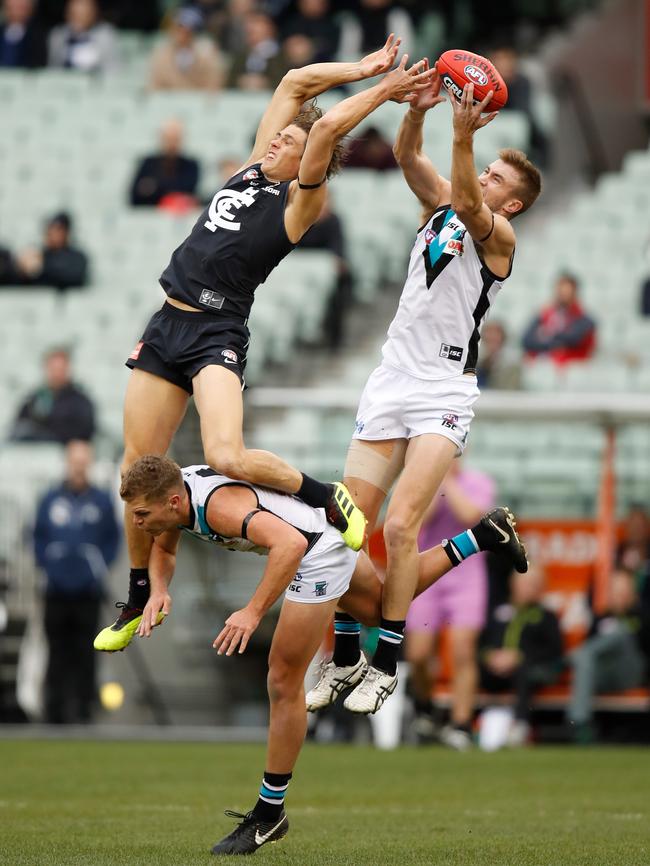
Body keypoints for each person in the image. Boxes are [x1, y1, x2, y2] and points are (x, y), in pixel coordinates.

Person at [93, 39, 438, 653]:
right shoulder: (254, 168)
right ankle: (141, 589)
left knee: (226, 454)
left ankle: (326, 496)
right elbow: (295, 85)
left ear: (312, 160)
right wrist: (358, 67)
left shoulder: (299, 202)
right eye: (279, 138)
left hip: (215, 332)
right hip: (166, 323)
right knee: (134, 468)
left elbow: (327, 123)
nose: (277, 139)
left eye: (291, 143)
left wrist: (384, 90)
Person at [117, 455, 527, 854]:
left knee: (282, 680)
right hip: (326, 528)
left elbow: (289, 545)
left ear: (172, 502)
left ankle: (270, 811)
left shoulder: (217, 507)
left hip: (313, 550)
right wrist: (159, 589)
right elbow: (165, 551)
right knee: (386, 605)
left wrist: (252, 612)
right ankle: (483, 536)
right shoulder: (176, 495)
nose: (136, 524)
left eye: (139, 514)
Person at [314, 62, 541, 715]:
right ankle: (349, 652)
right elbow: (409, 153)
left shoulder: (500, 234)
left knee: (405, 526)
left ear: (515, 201)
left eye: (501, 178)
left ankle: (385, 661)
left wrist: (466, 138)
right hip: (391, 378)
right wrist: (419, 106)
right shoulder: (443, 197)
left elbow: (471, 204)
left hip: (444, 389)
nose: (487, 179)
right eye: (488, 169)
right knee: (346, 528)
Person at [405, 459, 495, 751]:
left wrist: (448, 481)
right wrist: (435, 482)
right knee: (418, 654)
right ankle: (425, 706)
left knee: (462, 650)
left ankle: (461, 724)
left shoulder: (479, 482)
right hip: (427, 570)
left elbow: (471, 516)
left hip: (467, 575)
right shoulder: (420, 480)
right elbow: (420, 519)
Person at [34, 441, 120, 723]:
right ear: (67, 463)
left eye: (84, 462)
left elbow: (113, 539)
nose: (79, 467)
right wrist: (48, 563)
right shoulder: (50, 499)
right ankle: (54, 712)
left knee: (87, 652)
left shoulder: (101, 501)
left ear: (90, 463)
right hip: (56, 590)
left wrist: (97, 567)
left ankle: (83, 712)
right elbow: (37, 536)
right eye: (74, 461)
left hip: (88, 590)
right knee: (56, 651)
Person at [479, 565, 563, 747]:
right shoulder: (497, 612)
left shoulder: (546, 617)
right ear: (513, 585)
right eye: (525, 583)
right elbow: (481, 644)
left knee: (523, 671)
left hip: (530, 673)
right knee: (469, 667)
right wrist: (490, 657)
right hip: (494, 671)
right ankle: (465, 726)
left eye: (534, 584)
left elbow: (554, 651)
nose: (529, 588)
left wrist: (519, 657)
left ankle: (520, 726)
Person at [566, 569, 649, 744]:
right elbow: (591, 651)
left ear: (632, 593)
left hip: (631, 674)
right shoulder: (600, 617)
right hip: (603, 675)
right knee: (586, 657)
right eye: (616, 591)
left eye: (623, 591)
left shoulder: (642, 616)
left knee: (620, 632)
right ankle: (580, 723)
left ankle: (567, 659)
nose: (619, 596)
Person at [297, 189, 353, 350]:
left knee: (338, 290)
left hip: (325, 269)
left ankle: (334, 338)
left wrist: (337, 262)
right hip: (300, 268)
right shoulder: (299, 220)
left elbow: (338, 248)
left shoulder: (334, 221)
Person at [10, 347, 96, 443]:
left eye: (60, 369)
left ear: (68, 369)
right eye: (53, 369)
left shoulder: (80, 402)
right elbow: (20, 426)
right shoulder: (34, 399)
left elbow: (84, 432)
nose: (57, 374)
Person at [522, 273, 596, 365]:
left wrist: (545, 336)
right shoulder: (545, 314)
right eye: (560, 291)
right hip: (545, 365)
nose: (562, 295)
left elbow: (573, 339)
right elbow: (526, 340)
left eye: (567, 291)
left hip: (571, 369)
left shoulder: (583, 320)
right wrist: (555, 344)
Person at [148, 6, 223, 92]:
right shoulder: (161, 55)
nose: (183, 33)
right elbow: (154, 86)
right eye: (180, 28)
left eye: (189, 29)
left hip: (198, 102)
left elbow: (214, 85)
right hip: (167, 103)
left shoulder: (207, 54)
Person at [129, 119, 200, 208]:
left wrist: (155, 188)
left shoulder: (191, 165)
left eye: (175, 139)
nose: (172, 144)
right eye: (169, 139)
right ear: (162, 138)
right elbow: (135, 195)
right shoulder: (148, 163)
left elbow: (189, 189)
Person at [15, 212, 89, 291]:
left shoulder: (77, 257)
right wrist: (23, 271)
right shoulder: (41, 255)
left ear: (66, 232)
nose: (50, 233)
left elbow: (73, 276)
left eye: (57, 229)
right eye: (49, 229)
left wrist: (40, 268)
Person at [48, 0, 119, 74]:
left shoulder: (105, 34)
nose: (79, 18)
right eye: (74, 14)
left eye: (84, 13)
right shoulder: (59, 35)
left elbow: (113, 69)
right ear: (67, 14)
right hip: (66, 82)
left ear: (94, 13)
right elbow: (54, 68)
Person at [226, 10, 285, 91]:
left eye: (256, 23)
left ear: (269, 29)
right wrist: (241, 81)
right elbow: (230, 81)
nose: (250, 27)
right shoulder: (242, 55)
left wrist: (264, 83)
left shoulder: (280, 55)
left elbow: (284, 80)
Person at [475, 319, 522, 389]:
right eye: (488, 333)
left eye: (496, 333)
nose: (492, 336)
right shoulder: (476, 361)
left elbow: (510, 391)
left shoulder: (512, 365)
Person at [0, 0, 47, 69]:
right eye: (13, 6)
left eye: (21, 7)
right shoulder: (1, 31)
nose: (17, 11)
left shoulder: (38, 35)